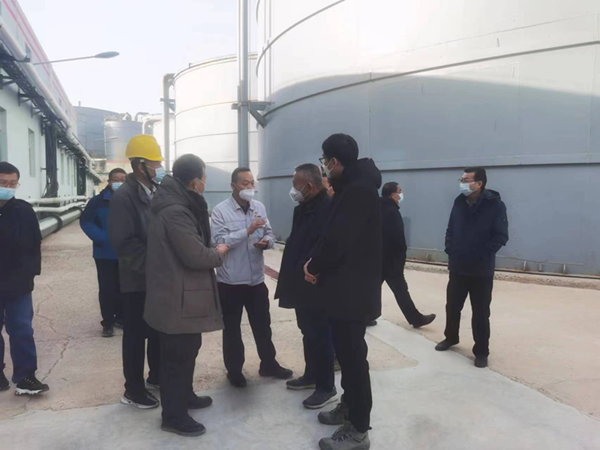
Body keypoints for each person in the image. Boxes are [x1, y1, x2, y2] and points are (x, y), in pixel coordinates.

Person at [304, 134, 382, 450]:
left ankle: (359, 430)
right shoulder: (351, 187)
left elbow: (339, 240)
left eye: (324, 161)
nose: (324, 166)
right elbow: (332, 235)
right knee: (348, 358)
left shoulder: (359, 191)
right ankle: (349, 408)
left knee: (353, 361)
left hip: (352, 293)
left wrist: (314, 266)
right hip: (344, 290)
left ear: (334, 161)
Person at [145, 154, 230, 437]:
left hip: (181, 295)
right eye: (204, 177)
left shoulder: (177, 205)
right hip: (176, 297)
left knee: (187, 350)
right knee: (177, 358)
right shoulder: (176, 212)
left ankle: (185, 396)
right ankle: (173, 416)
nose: (205, 183)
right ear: (195, 181)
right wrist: (218, 253)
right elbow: (195, 255)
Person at [211, 167, 293, 388]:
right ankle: (234, 371)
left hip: (256, 280)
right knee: (232, 330)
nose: (250, 187)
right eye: (245, 183)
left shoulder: (259, 207)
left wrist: (267, 242)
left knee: (263, 326)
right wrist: (246, 232)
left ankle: (269, 364)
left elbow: (269, 233)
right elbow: (218, 241)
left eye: (252, 183)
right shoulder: (220, 211)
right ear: (233, 186)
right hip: (230, 282)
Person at [108, 135, 165, 409]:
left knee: (157, 329)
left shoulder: (154, 190)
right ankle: (133, 390)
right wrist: (152, 269)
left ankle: (157, 376)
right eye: (155, 163)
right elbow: (124, 242)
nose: (159, 168)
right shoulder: (124, 196)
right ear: (140, 165)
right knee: (135, 335)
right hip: (136, 279)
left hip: (156, 277)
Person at [275, 164, 336, 409]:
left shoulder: (328, 210)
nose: (293, 190)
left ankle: (326, 386)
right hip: (300, 283)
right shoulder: (302, 209)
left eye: (295, 185)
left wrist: (313, 269)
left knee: (321, 334)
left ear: (309, 186)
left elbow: (326, 247)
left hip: (316, 284)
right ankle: (311, 375)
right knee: (307, 331)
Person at [435, 167, 508, 368]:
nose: (462, 183)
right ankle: (451, 337)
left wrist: (483, 254)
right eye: (461, 179)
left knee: (481, 312)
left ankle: (481, 352)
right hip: (458, 267)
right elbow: (451, 229)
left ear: (479, 183)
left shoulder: (495, 205)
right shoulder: (459, 202)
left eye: (466, 180)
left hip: (481, 270)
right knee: (452, 306)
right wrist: (450, 249)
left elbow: (501, 235)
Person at [0, 162, 48, 396]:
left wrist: (30, 275)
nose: (8, 188)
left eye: (12, 183)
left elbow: (34, 245)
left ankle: (26, 376)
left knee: (21, 329)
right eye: (3, 183)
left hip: (17, 283)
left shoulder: (23, 210)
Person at [380, 182, 436, 328]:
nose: (401, 194)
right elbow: (397, 240)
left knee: (371, 290)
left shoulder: (379, 208)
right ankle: (416, 319)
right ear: (393, 195)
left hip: (379, 259)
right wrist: (400, 260)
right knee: (401, 291)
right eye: (399, 191)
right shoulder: (392, 212)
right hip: (391, 261)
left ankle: (364, 316)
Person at [81, 168, 127, 338]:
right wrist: (102, 238)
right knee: (107, 288)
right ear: (109, 181)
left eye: (123, 180)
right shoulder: (98, 202)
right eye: (116, 179)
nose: (119, 183)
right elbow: (86, 221)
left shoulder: (130, 200)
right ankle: (108, 322)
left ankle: (121, 318)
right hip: (104, 253)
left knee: (124, 287)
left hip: (126, 253)